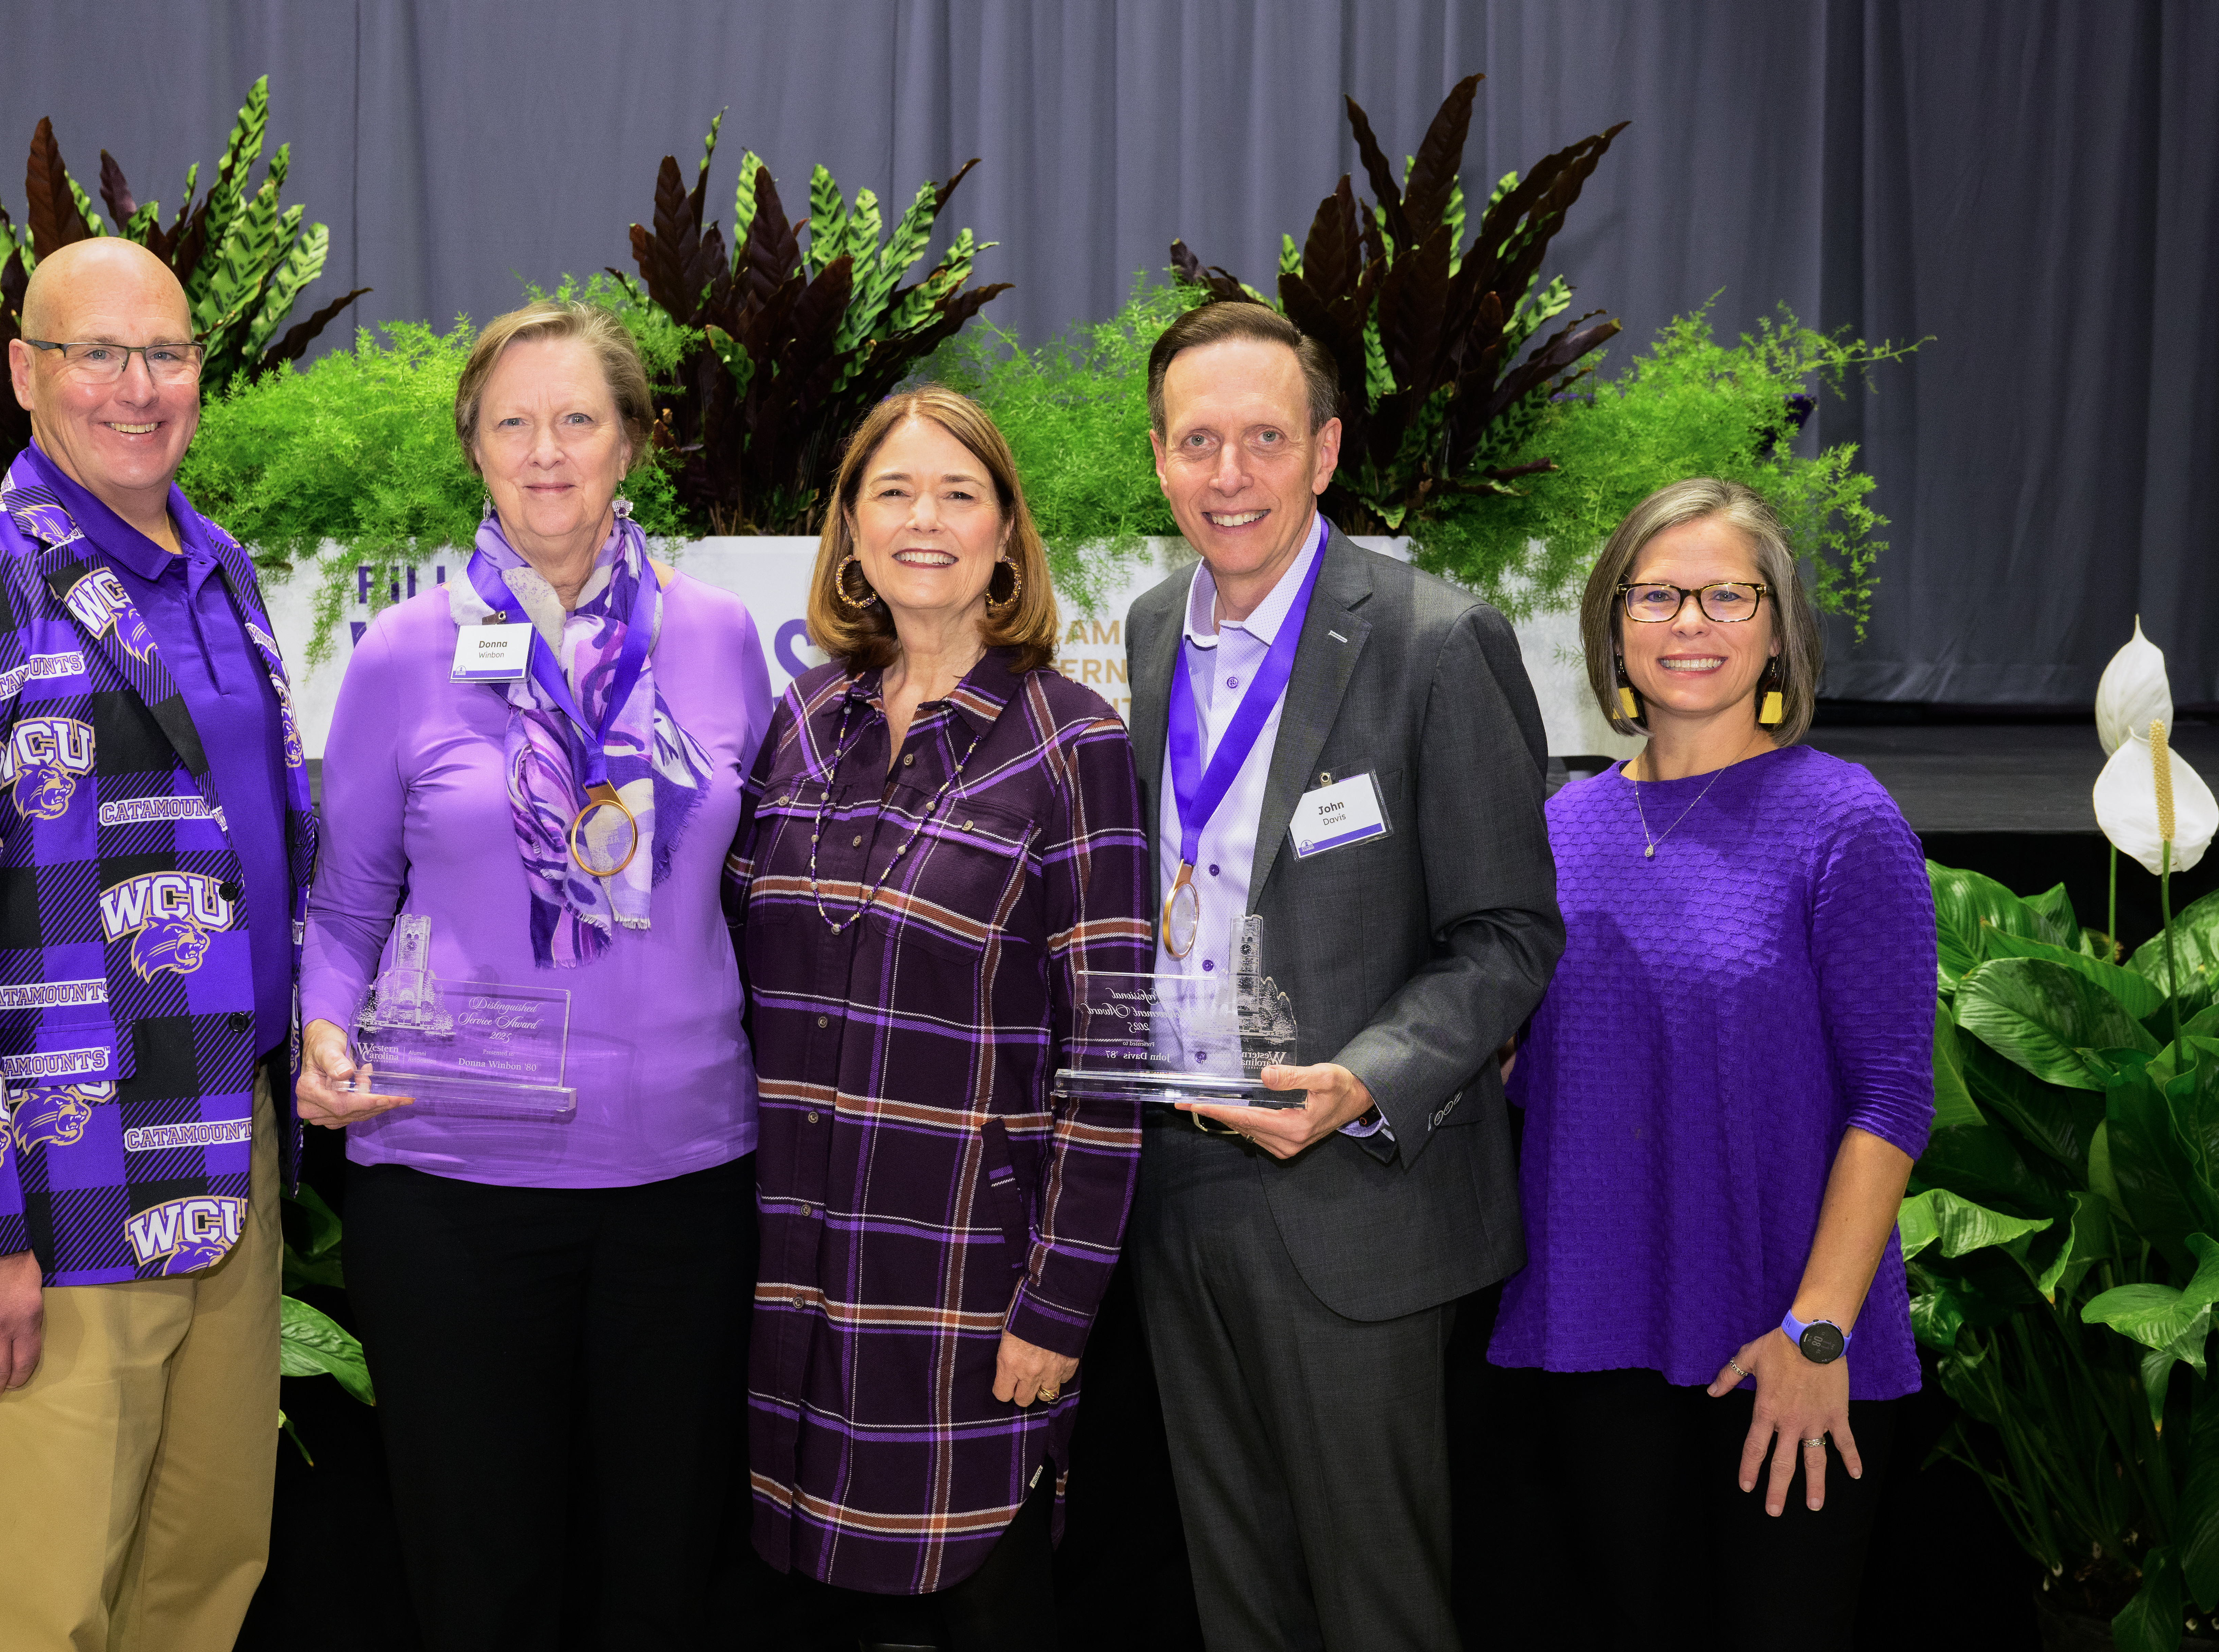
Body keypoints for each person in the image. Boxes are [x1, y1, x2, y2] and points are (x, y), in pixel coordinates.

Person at [0, 237, 308, 1649]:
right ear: (28, 373)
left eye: (165, 352)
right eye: (97, 352)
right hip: (48, 1184)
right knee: (30, 1617)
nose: (136, 385)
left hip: (230, 1154)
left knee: (200, 1583)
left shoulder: (223, 572)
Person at [294, 300, 774, 1649]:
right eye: (514, 422)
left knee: (662, 1581)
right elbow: (344, 907)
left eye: (578, 419)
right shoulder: (402, 652)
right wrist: (324, 1030)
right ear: (477, 449)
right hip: (451, 1186)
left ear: (632, 442)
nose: (547, 450)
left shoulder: (724, 639)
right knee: (480, 1580)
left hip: (681, 1183)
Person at [1117, 301, 1564, 1651]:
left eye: (1264, 436)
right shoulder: (1145, 633)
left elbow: (1510, 930)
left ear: (1324, 450)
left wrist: (1366, 1078)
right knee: (1236, 1602)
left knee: (1379, 1611)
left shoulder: (1435, 639)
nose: (1231, 472)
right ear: (1159, 459)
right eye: (1200, 441)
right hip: (1182, 1177)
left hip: (1355, 1196)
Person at [726, 386, 1152, 1651]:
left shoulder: (1074, 746)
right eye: (893, 493)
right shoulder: (800, 723)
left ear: (1008, 537)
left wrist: (1057, 1304)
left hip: (966, 1288)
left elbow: (1115, 1048)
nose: (925, 520)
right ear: (848, 532)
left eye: (959, 494)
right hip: (788, 1278)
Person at [1485, 477, 1933, 1646]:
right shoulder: (1550, 833)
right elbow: (1522, 1073)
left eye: (1727, 595)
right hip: (1586, 1342)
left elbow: (1889, 1103)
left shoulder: (1844, 820)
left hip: (1780, 1348)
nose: (1691, 621)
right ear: (1612, 626)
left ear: (1778, 629)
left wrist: (1815, 1333)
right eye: (1659, 594)